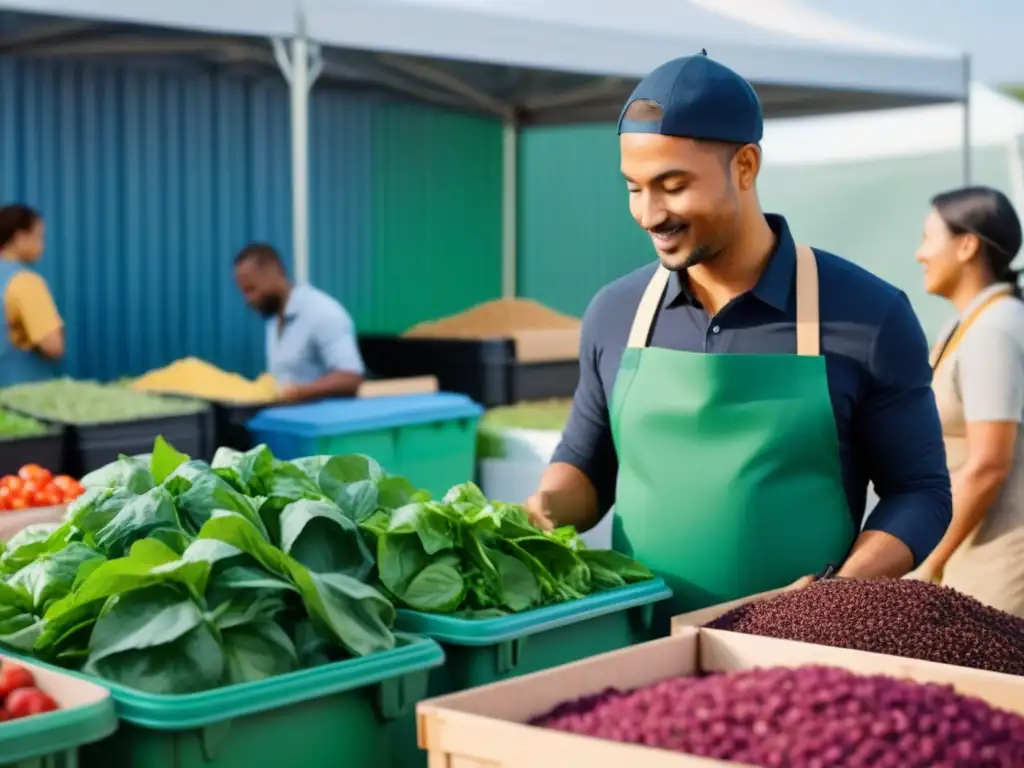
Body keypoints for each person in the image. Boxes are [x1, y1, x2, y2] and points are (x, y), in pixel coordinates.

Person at [525, 52, 952, 617]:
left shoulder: (869, 315)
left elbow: (920, 493)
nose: (649, 214)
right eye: (634, 187)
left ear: (746, 166)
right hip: (637, 652)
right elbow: (588, 467)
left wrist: (839, 592)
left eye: (673, 185)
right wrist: (545, 508)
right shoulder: (615, 312)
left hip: (799, 654)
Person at [904, 186, 1024, 615]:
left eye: (928, 238)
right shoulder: (968, 325)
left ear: (967, 245)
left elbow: (989, 465)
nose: (920, 254)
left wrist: (927, 561)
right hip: (967, 559)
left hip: (999, 570)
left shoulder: (995, 328)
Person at [233, 243, 365, 402]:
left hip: (321, 423)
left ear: (276, 273)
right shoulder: (273, 321)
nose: (248, 300)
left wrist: (300, 392)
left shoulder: (322, 312)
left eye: (251, 289)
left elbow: (351, 377)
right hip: (286, 422)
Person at [0, 204, 64, 386]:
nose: (42, 246)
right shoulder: (25, 282)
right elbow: (53, 346)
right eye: (39, 237)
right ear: (20, 237)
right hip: (17, 400)